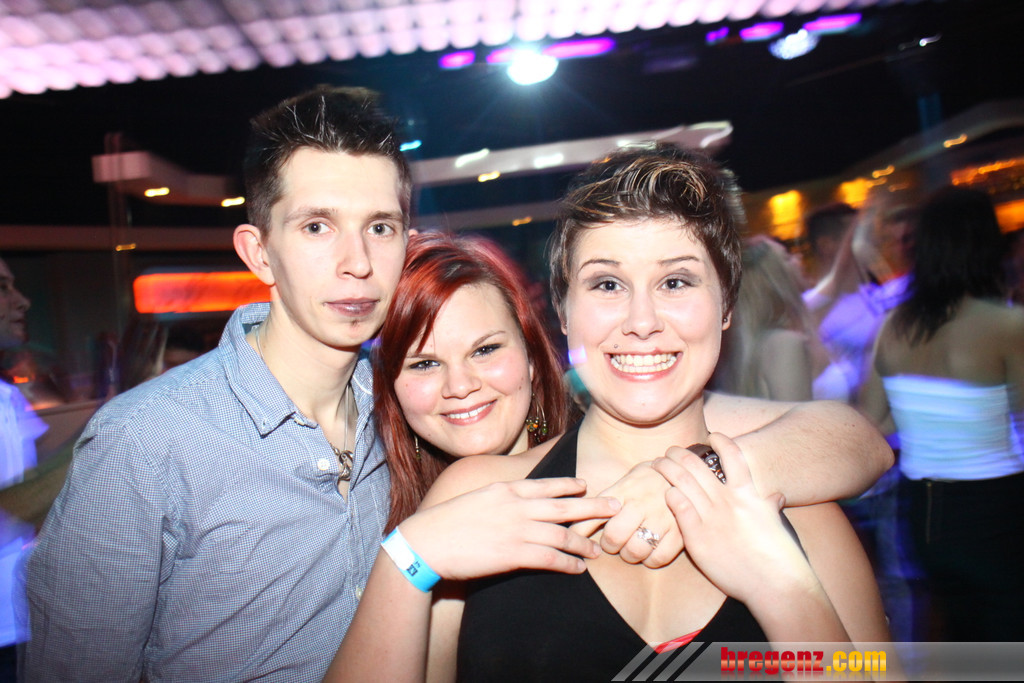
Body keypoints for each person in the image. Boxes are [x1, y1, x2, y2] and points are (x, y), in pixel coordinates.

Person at [329, 145, 890, 681]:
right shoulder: (470, 496)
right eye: (607, 284)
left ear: (725, 303)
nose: (642, 322)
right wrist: (405, 559)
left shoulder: (802, 508)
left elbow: (853, 438)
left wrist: (782, 588)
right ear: (563, 310)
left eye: (675, 282)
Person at [375, 232, 894, 564]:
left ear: (532, 354)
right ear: (389, 385)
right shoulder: (379, 493)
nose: (460, 386)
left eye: (486, 349)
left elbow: (853, 437)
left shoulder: (605, 417)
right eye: (423, 363)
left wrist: (694, 474)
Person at [860, 187, 1024, 640]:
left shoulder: (894, 325)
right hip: (996, 506)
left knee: (963, 631)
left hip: (923, 512)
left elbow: (872, 423)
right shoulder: (1006, 324)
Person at [0, 255, 43, 679]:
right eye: (1, 288)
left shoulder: (8, 395)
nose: (22, 301)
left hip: (20, 621)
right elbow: (14, 508)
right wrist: (119, 406)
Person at [714, 236, 824, 401]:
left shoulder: (758, 343)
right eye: (787, 257)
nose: (798, 258)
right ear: (774, 279)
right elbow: (800, 416)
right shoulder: (784, 344)